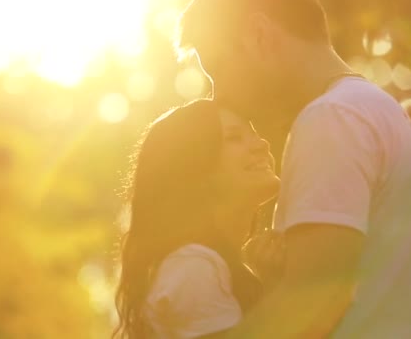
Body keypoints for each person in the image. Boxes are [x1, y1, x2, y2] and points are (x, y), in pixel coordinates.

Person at [176, 0, 411, 338]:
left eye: (218, 68)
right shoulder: (382, 115)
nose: (219, 96)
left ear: (260, 34)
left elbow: (315, 305)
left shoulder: (333, 119)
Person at [112, 99, 283, 338]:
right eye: (235, 138)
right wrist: (279, 294)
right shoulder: (193, 267)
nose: (261, 144)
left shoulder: (209, 264)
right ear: (195, 169)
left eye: (254, 133)